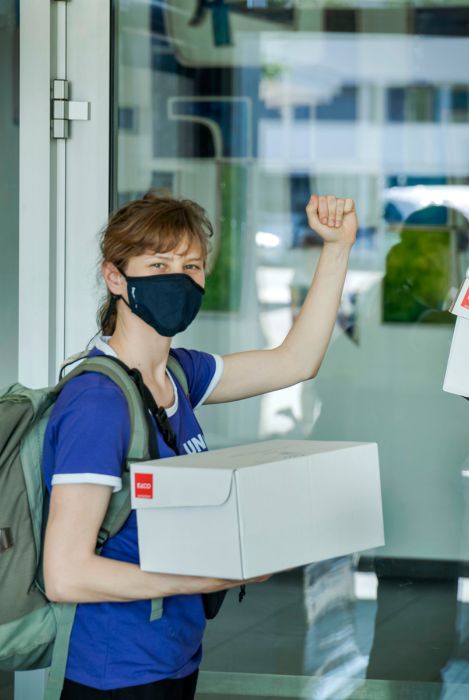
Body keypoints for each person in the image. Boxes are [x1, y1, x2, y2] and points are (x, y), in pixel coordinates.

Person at [42, 190, 357, 698]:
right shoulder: (98, 403)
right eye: (158, 264)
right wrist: (206, 577)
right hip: (114, 671)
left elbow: (296, 361)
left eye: (191, 266)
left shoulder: (179, 375)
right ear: (115, 277)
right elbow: (66, 574)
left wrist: (337, 248)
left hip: (173, 656)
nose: (178, 278)